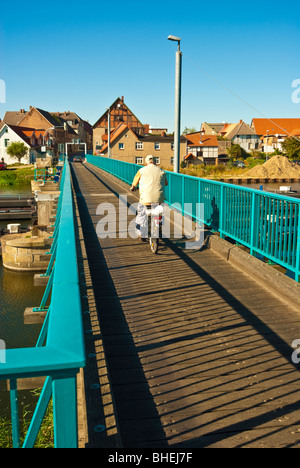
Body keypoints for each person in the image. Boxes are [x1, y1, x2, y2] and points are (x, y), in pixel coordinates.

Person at [130, 155, 168, 239]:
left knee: (141, 214)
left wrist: (132, 188)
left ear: (146, 162)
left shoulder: (141, 170)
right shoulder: (161, 171)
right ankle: (159, 224)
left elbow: (134, 183)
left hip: (146, 199)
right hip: (159, 199)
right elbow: (166, 183)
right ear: (154, 162)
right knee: (160, 211)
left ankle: (141, 233)